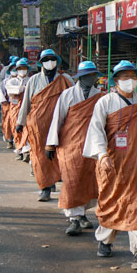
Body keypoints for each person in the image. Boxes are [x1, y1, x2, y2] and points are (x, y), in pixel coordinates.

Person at [84, 60, 137, 269]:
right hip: (113, 162)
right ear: (116, 80)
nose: (129, 81)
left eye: (132, 77)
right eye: (124, 77)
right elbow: (96, 130)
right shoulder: (105, 102)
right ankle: (105, 239)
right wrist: (102, 155)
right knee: (112, 200)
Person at [45, 61, 103, 236]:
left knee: (89, 181)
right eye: (89, 75)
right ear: (82, 77)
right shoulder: (67, 94)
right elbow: (58, 119)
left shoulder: (100, 96)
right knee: (72, 180)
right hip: (69, 144)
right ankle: (73, 219)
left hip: (93, 145)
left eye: (94, 75)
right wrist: (51, 143)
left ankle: (82, 213)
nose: (92, 78)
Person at [17, 49, 74, 201]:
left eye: (52, 59)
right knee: (40, 156)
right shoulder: (34, 80)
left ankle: (62, 184)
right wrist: (20, 123)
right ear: (41, 62)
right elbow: (26, 103)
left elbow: (76, 100)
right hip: (39, 125)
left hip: (62, 124)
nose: (50, 62)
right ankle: (45, 187)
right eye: (46, 59)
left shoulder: (66, 79)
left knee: (62, 155)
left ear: (57, 61)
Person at [1, 59, 30, 156]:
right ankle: (18, 146)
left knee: (27, 127)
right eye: (20, 68)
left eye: (24, 68)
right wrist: (22, 89)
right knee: (16, 126)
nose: (22, 70)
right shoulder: (11, 81)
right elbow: (11, 91)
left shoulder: (30, 80)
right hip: (15, 107)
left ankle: (26, 147)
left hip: (27, 107)